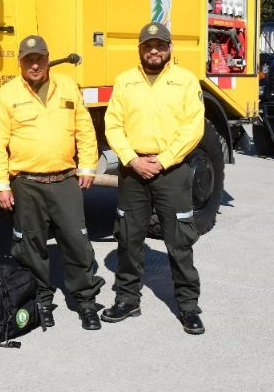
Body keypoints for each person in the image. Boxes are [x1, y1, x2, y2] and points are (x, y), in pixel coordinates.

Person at [0, 35, 105, 330]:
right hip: (26, 184)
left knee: (77, 242)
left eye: (39, 58)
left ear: (47, 57)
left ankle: (86, 302)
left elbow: (85, 129)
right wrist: (1, 185)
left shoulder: (66, 86)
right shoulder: (6, 94)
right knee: (31, 246)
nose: (35, 64)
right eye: (29, 60)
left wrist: (88, 166)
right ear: (20, 63)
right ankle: (41, 300)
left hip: (65, 180)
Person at [102, 22, 206, 335]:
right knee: (128, 238)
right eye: (148, 46)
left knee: (179, 241)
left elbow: (194, 128)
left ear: (170, 48)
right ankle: (127, 299)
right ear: (140, 49)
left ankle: (188, 305)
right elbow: (113, 125)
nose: (154, 51)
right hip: (132, 172)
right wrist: (133, 160)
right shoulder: (125, 82)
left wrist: (161, 161)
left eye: (160, 45)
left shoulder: (185, 81)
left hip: (171, 172)